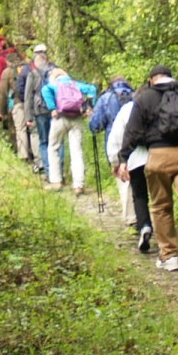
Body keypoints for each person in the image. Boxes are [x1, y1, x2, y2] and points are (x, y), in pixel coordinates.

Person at [119, 65, 178, 277]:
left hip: (159, 155)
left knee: (161, 205)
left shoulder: (145, 98)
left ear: (152, 80)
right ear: (171, 78)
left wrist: (124, 157)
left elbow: (133, 130)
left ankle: (169, 256)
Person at [108, 86, 154, 252]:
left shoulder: (127, 109)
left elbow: (116, 138)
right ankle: (163, 232)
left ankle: (144, 226)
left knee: (139, 195)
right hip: (158, 156)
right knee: (159, 196)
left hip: (135, 159)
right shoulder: (159, 106)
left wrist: (116, 161)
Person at [41, 67, 97, 193]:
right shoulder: (75, 84)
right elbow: (92, 89)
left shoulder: (53, 84)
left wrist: (52, 108)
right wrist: (89, 106)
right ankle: (78, 185)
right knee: (76, 151)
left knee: (53, 147)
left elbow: (44, 90)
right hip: (76, 119)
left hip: (59, 119)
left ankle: (56, 181)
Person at [91, 76, 138, 225]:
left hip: (115, 141)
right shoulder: (136, 96)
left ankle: (131, 217)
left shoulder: (106, 98)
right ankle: (142, 214)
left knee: (122, 177)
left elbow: (96, 125)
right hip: (137, 141)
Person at [22, 45, 53, 176]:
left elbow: (28, 96)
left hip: (39, 110)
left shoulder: (31, 72)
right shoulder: (55, 70)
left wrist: (28, 116)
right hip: (54, 109)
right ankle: (59, 169)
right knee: (56, 142)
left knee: (44, 141)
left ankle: (48, 170)